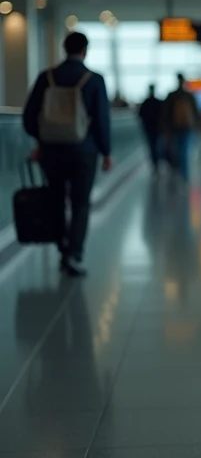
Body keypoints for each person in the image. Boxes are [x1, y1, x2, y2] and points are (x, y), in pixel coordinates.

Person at [21, 31, 113, 276]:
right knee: (81, 203)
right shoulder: (94, 80)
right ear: (85, 50)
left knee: (56, 198)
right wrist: (106, 152)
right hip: (85, 151)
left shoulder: (46, 77)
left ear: (64, 48)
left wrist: (42, 140)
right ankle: (74, 253)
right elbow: (102, 121)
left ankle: (62, 247)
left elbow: (29, 117)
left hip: (51, 151)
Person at [159, 73, 201, 183]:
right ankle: (184, 174)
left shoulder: (171, 96)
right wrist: (197, 125)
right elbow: (196, 112)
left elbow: (165, 113)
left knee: (177, 149)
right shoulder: (189, 96)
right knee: (185, 150)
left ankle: (179, 170)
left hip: (174, 128)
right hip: (187, 127)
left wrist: (165, 128)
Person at [137, 84, 164, 172]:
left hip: (149, 128)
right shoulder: (158, 102)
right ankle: (157, 162)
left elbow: (140, 115)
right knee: (157, 145)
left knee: (152, 146)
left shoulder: (146, 102)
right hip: (157, 128)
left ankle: (155, 163)